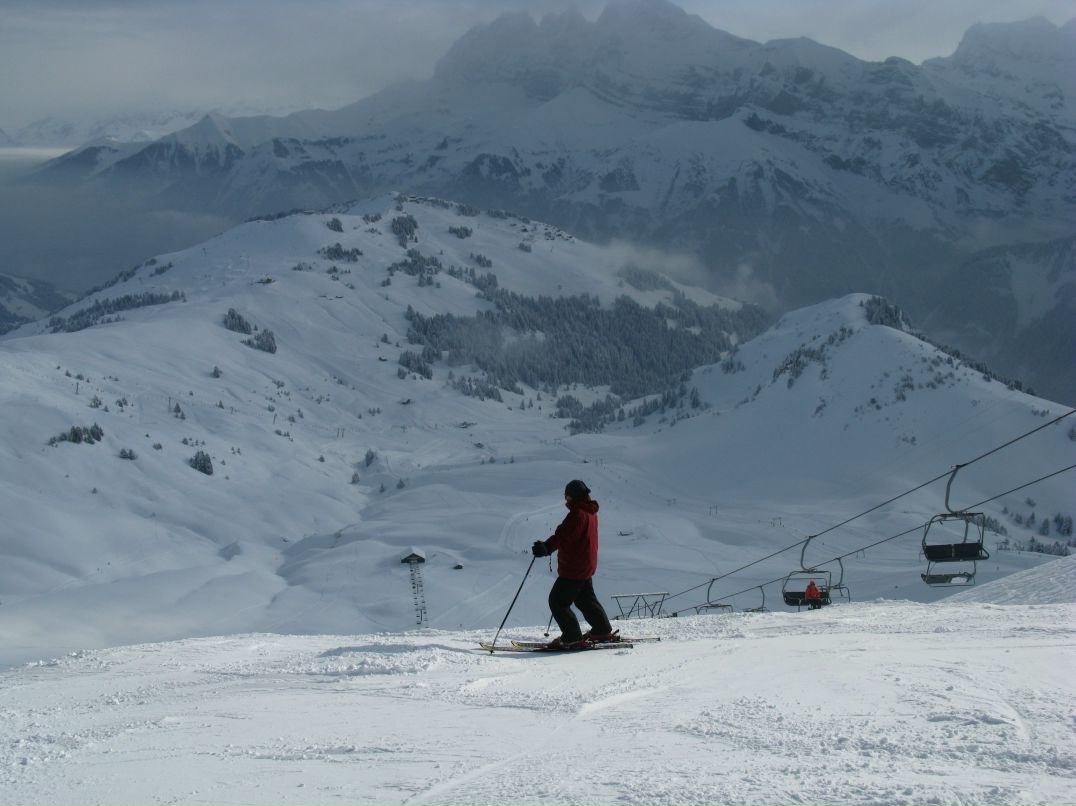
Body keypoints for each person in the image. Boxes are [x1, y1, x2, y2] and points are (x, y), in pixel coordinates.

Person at [532, 480, 616, 648]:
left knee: (557, 601)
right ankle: (601, 630)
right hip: (586, 565)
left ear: (575, 496)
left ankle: (571, 637)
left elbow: (564, 535)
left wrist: (546, 547)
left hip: (574, 567)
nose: (566, 500)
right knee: (585, 600)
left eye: (567, 496)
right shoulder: (590, 512)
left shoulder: (578, 514)